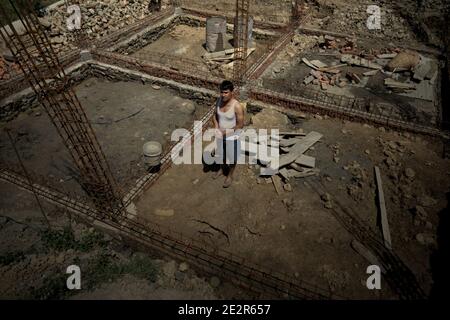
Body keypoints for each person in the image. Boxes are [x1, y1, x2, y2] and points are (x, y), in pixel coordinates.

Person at [212, 80, 245, 188]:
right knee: (220, 154)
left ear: (232, 92)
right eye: (221, 92)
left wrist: (225, 132)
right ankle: (222, 168)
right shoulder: (218, 101)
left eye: (226, 92)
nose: (223, 95)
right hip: (220, 135)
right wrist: (216, 127)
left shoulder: (237, 106)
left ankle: (230, 175)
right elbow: (215, 116)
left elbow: (240, 125)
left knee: (232, 157)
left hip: (232, 136)